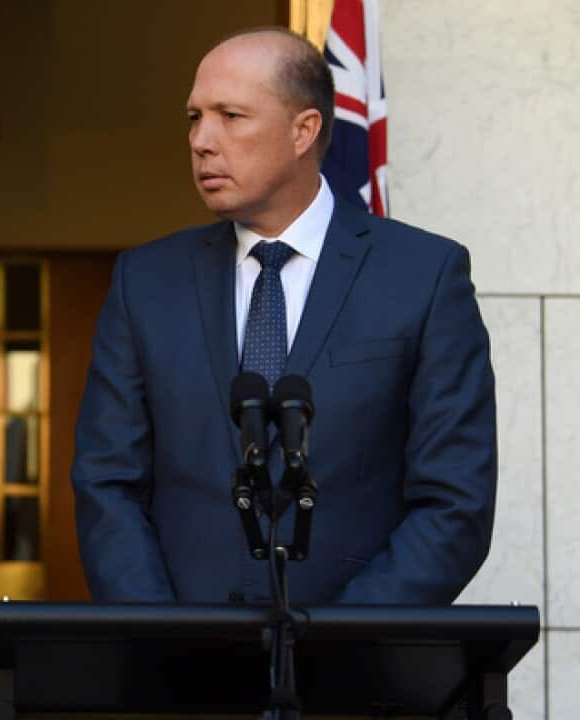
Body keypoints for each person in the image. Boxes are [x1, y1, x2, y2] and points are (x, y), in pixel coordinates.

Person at [71, 28, 496, 605]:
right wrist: (161, 637)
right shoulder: (144, 283)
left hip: (356, 675)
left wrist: (340, 643)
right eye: (194, 117)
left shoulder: (423, 275)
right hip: (181, 670)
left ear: (304, 130)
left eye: (231, 115)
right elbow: (107, 486)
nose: (201, 140)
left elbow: (455, 503)